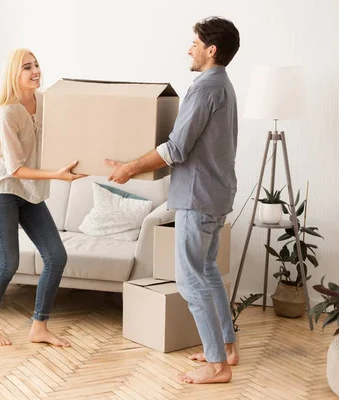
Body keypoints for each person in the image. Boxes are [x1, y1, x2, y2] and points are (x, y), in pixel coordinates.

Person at [106, 17, 241, 384]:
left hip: (198, 197)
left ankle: (217, 366)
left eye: (194, 43)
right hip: (218, 193)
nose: (189, 49)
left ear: (211, 50)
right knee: (209, 272)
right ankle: (227, 348)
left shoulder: (203, 89)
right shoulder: (224, 87)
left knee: (190, 280)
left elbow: (177, 148)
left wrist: (129, 168)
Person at [0, 48, 85, 347]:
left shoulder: (45, 101)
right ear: (15, 74)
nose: (35, 71)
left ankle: (39, 326)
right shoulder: (8, 111)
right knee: (8, 263)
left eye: (37, 65)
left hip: (29, 192)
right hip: (2, 190)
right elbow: (15, 168)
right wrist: (57, 175)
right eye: (27, 67)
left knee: (56, 256)